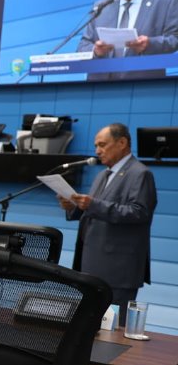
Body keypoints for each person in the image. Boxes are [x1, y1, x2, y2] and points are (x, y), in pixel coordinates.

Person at [58, 123, 157, 325]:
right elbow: (93, 211)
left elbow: (139, 212)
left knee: (114, 332)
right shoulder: (103, 174)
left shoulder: (140, 173)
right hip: (91, 263)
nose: (97, 151)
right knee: (88, 327)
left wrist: (93, 204)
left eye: (102, 145)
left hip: (118, 268)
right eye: (96, 146)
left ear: (122, 143)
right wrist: (73, 207)